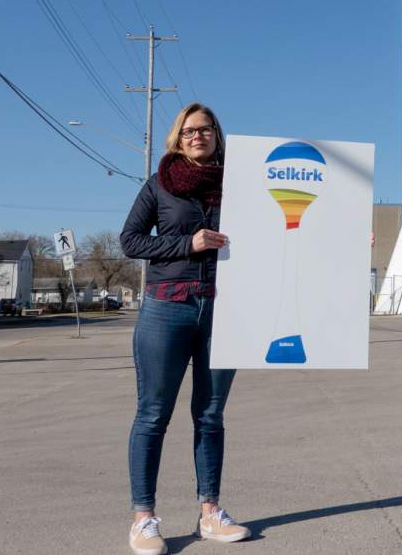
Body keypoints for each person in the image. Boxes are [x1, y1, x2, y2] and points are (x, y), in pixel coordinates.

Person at [120, 102, 251, 553]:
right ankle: (144, 518)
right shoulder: (159, 185)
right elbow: (130, 241)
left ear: (217, 134)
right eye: (191, 130)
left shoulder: (242, 184)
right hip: (166, 308)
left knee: (211, 416)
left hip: (224, 310)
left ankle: (210, 512)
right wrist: (186, 243)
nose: (199, 136)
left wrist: (339, 236)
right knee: (153, 415)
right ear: (178, 137)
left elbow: (281, 234)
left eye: (207, 129)